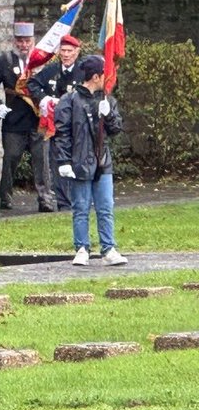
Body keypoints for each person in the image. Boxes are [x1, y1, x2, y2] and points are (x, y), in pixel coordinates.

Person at [54, 55, 127, 266]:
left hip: (102, 161)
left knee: (105, 208)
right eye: (105, 74)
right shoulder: (69, 100)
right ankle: (82, 249)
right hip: (79, 162)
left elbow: (115, 129)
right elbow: (63, 134)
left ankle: (109, 248)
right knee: (81, 208)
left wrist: (109, 115)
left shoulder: (107, 100)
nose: (108, 78)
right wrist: (63, 161)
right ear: (96, 76)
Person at [0, 22, 51, 211]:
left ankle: (45, 199)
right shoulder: (4, 61)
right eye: (20, 41)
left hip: (38, 118)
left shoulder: (42, 61)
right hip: (14, 118)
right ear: (14, 41)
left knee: (41, 160)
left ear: (33, 41)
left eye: (27, 41)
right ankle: (5, 196)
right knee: (11, 158)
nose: (24, 45)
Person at [29, 34, 83, 211]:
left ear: (77, 52)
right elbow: (32, 84)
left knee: (76, 162)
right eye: (63, 51)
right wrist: (44, 98)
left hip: (76, 126)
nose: (66, 55)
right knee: (57, 163)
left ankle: (78, 199)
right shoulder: (51, 70)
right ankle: (63, 203)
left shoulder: (83, 71)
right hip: (56, 127)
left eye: (69, 51)